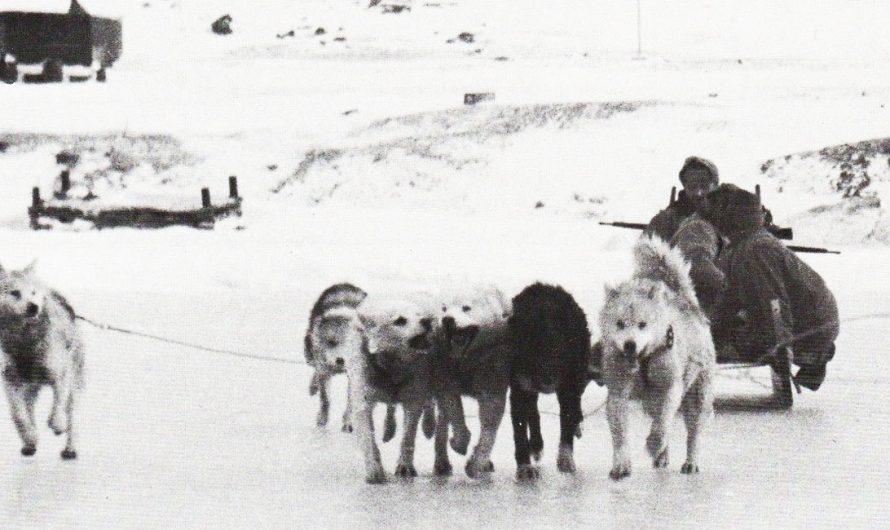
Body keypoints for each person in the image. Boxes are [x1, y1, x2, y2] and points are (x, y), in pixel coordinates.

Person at [700, 184, 839, 391]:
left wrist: (780, 347)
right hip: (811, 324)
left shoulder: (756, 250)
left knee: (724, 347)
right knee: (716, 337)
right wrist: (707, 328)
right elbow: (730, 298)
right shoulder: (743, 245)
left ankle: (808, 353)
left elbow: (773, 301)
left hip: (809, 330)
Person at [644, 156, 720, 242]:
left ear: (715, 186)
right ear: (685, 186)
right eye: (692, 186)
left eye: (704, 185)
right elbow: (645, 248)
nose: (698, 193)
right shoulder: (666, 220)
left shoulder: (728, 218)